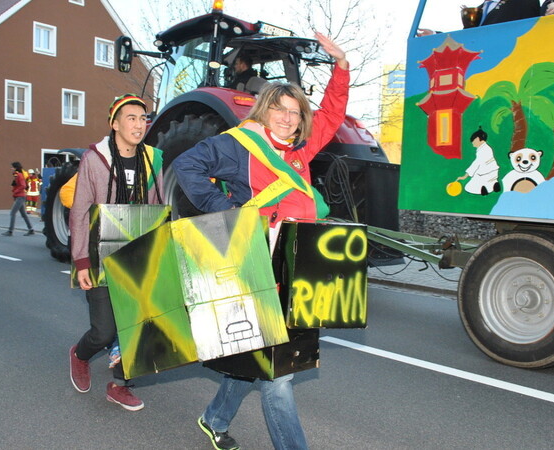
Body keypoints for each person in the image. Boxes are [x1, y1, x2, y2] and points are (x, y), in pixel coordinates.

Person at [173, 32, 348, 450]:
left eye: (294, 112)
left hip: (299, 264)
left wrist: (341, 66)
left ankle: (214, 417)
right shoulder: (240, 146)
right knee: (280, 374)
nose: (288, 118)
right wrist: (227, 209)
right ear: (264, 109)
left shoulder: (299, 151)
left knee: (263, 357)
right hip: (258, 264)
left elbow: (333, 114)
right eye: (280, 110)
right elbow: (187, 163)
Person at [68, 93, 164, 412]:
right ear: (115, 124)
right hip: (99, 254)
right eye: (131, 119)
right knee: (104, 330)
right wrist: (81, 260)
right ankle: (81, 354)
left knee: (136, 329)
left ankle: (120, 385)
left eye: (143, 119)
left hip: (136, 255)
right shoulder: (95, 158)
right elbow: (80, 210)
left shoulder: (154, 159)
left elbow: (157, 208)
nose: (139, 125)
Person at [456, 127, 501, 195]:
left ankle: (483, 188)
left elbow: (476, 164)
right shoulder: (488, 148)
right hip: (494, 172)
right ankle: (494, 184)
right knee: (491, 180)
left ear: (477, 139)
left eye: (473, 141)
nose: (473, 144)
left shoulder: (482, 151)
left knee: (468, 187)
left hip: (484, 174)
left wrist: (465, 176)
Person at [2, 161, 35, 236]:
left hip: (20, 196)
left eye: (12, 167)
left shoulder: (19, 175)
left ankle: (10, 231)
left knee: (13, 213)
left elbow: (23, 185)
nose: (11, 168)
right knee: (23, 214)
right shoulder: (17, 175)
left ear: (15, 168)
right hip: (19, 196)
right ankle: (31, 229)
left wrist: (15, 191)